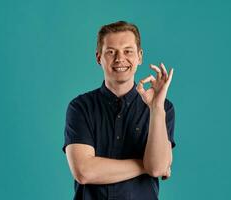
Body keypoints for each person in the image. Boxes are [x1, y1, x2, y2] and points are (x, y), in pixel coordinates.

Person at [62, 21, 176, 200]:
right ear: (99, 57)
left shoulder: (164, 108)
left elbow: (156, 168)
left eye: (128, 51)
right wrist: (144, 164)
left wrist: (156, 109)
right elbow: (84, 171)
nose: (119, 58)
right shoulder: (80, 107)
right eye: (111, 51)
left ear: (140, 56)